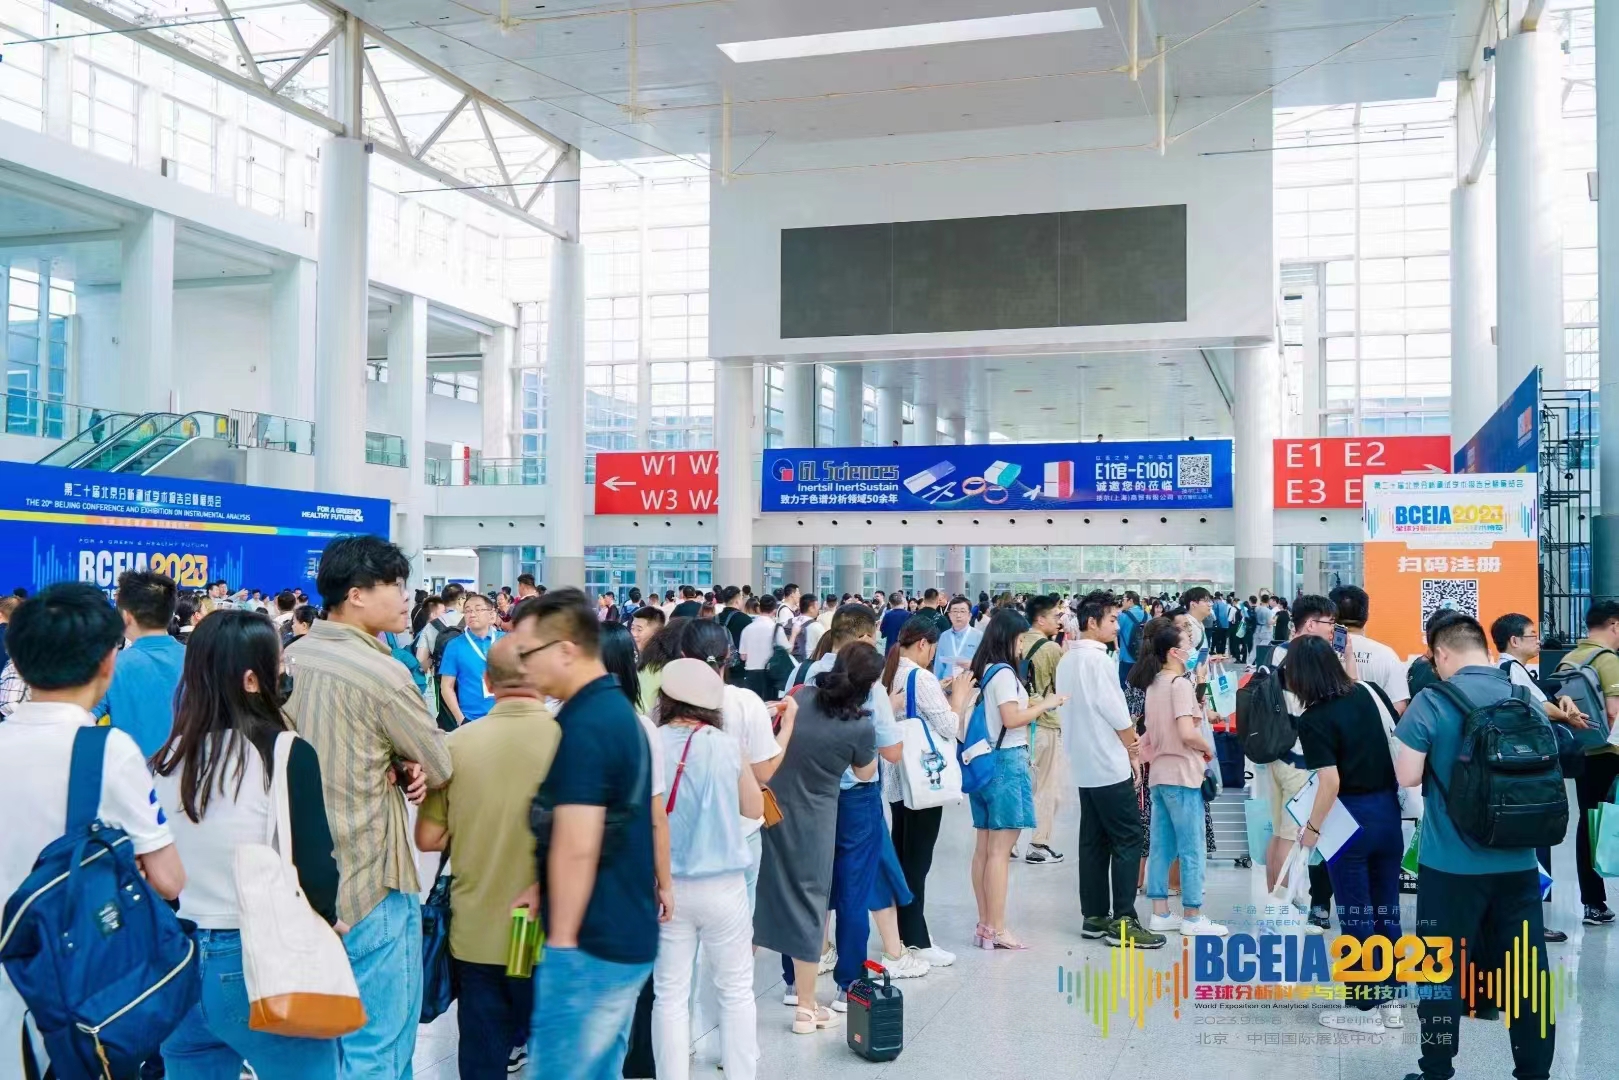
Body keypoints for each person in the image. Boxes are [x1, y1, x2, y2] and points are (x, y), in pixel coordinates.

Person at [0, 584, 187, 1075]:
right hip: (73, 986)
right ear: (108, 661)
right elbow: (169, 879)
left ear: (18, 662)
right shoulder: (108, 751)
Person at [283, 535, 452, 1075]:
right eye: (395, 586)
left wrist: (393, 757)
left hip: (297, 883)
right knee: (379, 1049)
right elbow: (439, 763)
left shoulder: (290, 658)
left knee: (322, 1051)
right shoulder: (384, 674)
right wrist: (407, 761)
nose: (407, 598)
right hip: (370, 879)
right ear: (356, 595)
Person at [151, 610, 343, 1079]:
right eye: (277, 664)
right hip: (254, 959)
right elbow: (315, 868)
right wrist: (328, 921)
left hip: (176, 962)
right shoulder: (285, 752)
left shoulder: (167, 760)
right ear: (252, 679)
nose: (284, 673)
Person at [1393, 614, 1556, 1080]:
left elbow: (1407, 776)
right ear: (1484, 650)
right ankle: (1533, 1073)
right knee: (1527, 975)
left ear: (1442, 654)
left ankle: (1437, 1069)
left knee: (1440, 971)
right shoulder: (1523, 695)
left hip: (1450, 865)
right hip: (1518, 861)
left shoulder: (1431, 700)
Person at [519, 589, 661, 1079]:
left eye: (528, 653)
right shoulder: (611, 711)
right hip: (620, 927)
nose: (522, 666)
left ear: (565, 649)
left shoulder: (588, 724)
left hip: (590, 942)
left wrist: (562, 942)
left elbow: (579, 844)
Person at [415, 635, 561, 1080]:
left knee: (482, 1047)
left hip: (478, 927)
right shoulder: (570, 740)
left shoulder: (456, 745)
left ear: (487, 683)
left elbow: (428, 838)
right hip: (542, 927)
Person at [779, 604, 923, 1006]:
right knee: (853, 893)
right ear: (862, 638)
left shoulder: (802, 676)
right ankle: (849, 985)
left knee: (806, 888)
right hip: (856, 800)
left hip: (806, 797)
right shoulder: (869, 685)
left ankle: (795, 982)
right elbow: (889, 752)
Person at [752, 643, 881, 1035]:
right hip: (815, 821)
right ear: (869, 684)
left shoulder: (799, 696)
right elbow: (864, 773)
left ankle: (734, 993)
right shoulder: (860, 725)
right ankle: (807, 1009)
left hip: (769, 809)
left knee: (756, 900)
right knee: (810, 906)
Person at [648, 659, 763, 1080]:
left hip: (668, 886)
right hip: (725, 886)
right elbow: (753, 807)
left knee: (670, 994)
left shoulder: (651, 742)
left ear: (666, 698)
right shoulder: (726, 744)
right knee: (736, 990)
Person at [1285, 635, 1405, 1032]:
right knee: (1386, 909)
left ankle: (1364, 1007)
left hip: (1348, 821)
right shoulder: (1370, 693)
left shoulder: (1314, 719)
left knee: (1356, 915)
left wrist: (1312, 828)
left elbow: (1330, 782)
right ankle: (1391, 1000)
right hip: (1387, 813)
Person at [1057, 593, 1163, 949]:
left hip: (1083, 763)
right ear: (1092, 622)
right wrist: (1133, 750)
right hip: (1107, 762)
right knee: (1128, 837)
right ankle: (1124, 920)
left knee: (1093, 840)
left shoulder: (1067, 660)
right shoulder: (1098, 661)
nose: (1118, 626)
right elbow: (1117, 714)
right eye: (1113, 619)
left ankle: (1095, 916)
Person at [968, 608, 1066, 950]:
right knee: (999, 852)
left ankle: (984, 925)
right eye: (1021, 639)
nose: (1023, 645)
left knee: (984, 849)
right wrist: (1046, 704)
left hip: (983, 762)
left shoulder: (986, 670)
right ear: (1009, 638)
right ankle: (997, 928)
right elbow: (1011, 719)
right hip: (1007, 763)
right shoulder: (1006, 674)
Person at [881, 615, 973, 966]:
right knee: (917, 863)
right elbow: (949, 726)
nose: (932, 655)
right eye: (932, 649)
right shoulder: (922, 677)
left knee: (905, 858)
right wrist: (959, 697)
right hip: (924, 780)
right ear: (923, 644)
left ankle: (902, 933)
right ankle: (917, 939)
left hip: (898, 779)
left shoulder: (892, 671)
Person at [1135, 619, 1228, 937]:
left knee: (1161, 846)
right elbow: (1187, 733)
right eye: (1187, 645)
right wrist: (1207, 749)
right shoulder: (1180, 685)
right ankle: (1192, 915)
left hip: (1160, 775)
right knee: (1192, 847)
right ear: (1174, 652)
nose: (1191, 649)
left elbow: (1148, 736)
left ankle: (1160, 912)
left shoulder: (1154, 684)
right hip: (1184, 774)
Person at [1564, 599, 1619, 926]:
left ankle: (1593, 903)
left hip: (1583, 752)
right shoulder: (1608, 660)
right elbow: (1614, 713)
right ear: (1614, 625)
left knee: (1589, 825)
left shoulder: (1571, 658)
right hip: (1611, 754)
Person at [92, 570, 187, 758]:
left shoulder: (111, 666)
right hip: (191, 771)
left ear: (126, 616)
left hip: (132, 772)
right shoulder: (198, 659)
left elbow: (81, 719)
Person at [1019, 594, 1067, 865]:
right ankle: (1039, 844)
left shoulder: (1016, 641)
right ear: (1040, 619)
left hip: (1016, 722)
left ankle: (1008, 842)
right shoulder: (1050, 649)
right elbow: (1061, 687)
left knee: (1021, 784)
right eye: (1055, 616)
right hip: (1044, 723)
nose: (1059, 621)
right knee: (1047, 787)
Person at [1330, 585, 1411, 715]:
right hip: (1374, 727)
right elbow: (1398, 707)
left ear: (1331, 614)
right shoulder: (1386, 655)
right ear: (1366, 615)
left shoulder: (1317, 652)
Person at [438, 591, 503, 726]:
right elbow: (446, 686)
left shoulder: (507, 640)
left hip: (506, 716)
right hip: (472, 719)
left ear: (491, 614)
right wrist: (460, 719)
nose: (472, 614)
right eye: (467, 611)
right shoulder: (454, 645)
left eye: (478, 610)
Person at [739, 594, 789, 700]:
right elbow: (786, 650)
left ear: (759, 608)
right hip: (770, 674)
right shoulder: (776, 628)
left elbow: (743, 657)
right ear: (774, 611)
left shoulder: (747, 629)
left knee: (753, 704)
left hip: (751, 674)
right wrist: (793, 635)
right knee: (769, 705)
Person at [934, 596, 980, 683]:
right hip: (947, 685)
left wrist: (973, 665)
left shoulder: (979, 636)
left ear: (969, 615)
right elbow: (939, 666)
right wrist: (938, 684)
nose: (958, 615)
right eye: (955, 611)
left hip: (970, 685)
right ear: (949, 615)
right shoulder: (944, 636)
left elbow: (985, 664)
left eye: (962, 611)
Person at [1115, 591, 1145, 689]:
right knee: (1140, 688)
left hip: (1126, 658)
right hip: (1143, 659)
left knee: (1124, 687)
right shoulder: (1147, 615)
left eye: (1124, 599)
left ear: (1130, 601)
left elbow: (1115, 632)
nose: (1122, 602)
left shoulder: (1123, 616)